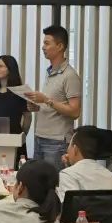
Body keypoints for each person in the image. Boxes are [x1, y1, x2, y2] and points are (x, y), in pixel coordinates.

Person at [25, 26, 82, 167]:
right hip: (40, 137)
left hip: (57, 142)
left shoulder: (70, 75)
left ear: (60, 46)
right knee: (39, 179)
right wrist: (37, 106)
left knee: (53, 180)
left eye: (47, 43)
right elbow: (54, 104)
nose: (43, 47)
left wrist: (46, 100)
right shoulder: (50, 72)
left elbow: (75, 112)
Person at [56, 126, 112, 202]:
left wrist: (69, 170)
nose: (67, 150)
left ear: (75, 149)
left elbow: (68, 207)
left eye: (69, 145)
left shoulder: (68, 175)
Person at [0, 54, 31, 154]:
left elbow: (27, 116)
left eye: (0, 66)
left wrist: (22, 136)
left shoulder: (20, 90)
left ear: (10, 69)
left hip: (15, 137)